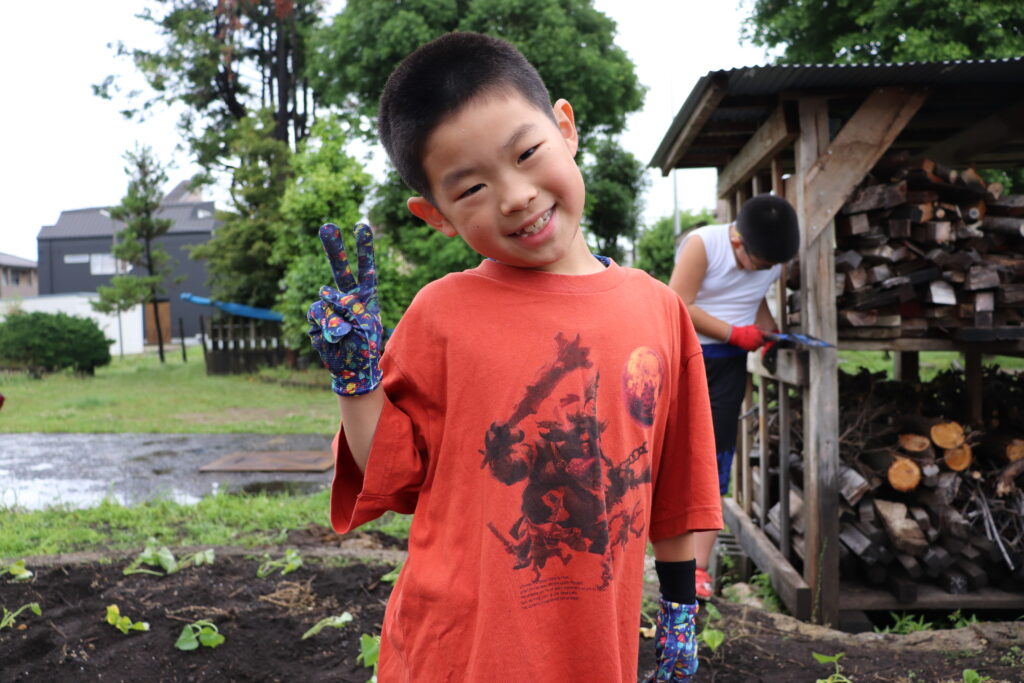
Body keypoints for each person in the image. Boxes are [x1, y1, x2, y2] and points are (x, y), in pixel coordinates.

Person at [305, 32, 722, 682]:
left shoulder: (659, 311)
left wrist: (678, 613)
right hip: (454, 656)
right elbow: (392, 473)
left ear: (565, 127)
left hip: (592, 654)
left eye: (527, 153)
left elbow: (678, 490)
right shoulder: (440, 315)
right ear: (434, 215)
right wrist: (356, 378)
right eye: (470, 189)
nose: (516, 195)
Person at [667, 194, 800, 600]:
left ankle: (698, 570)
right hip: (687, 357)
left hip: (728, 367)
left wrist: (770, 331)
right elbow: (678, 303)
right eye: (759, 263)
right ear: (738, 242)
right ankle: (666, 554)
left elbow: (753, 296)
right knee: (675, 457)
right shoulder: (704, 245)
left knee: (716, 457)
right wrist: (732, 332)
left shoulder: (767, 258)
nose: (764, 271)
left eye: (770, 267)